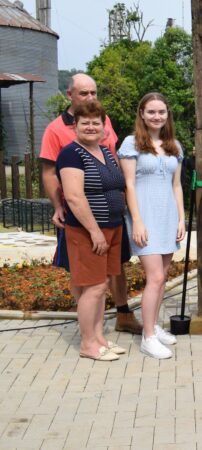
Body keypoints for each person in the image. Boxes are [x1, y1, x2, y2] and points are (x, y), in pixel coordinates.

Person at [40, 73, 142, 335]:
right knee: (83, 273)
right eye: (84, 93)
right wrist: (58, 206)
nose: (90, 97)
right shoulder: (55, 130)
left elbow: (111, 158)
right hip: (82, 217)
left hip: (112, 218)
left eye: (93, 93)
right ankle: (88, 327)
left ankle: (121, 313)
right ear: (70, 95)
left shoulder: (103, 119)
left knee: (115, 267)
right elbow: (50, 173)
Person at [56, 100, 127, 361]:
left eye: (96, 122)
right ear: (75, 126)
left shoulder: (106, 151)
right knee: (93, 287)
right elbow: (74, 197)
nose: (90, 126)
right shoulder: (71, 153)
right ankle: (88, 344)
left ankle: (99, 338)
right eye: (84, 122)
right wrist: (95, 231)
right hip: (88, 231)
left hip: (113, 226)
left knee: (104, 284)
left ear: (103, 126)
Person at [118, 93, 185, 359]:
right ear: (142, 114)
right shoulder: (131, 143)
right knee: (154, 278)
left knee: (162, 278)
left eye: (161, 112)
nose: (157, 117)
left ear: (167, 115)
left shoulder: (174, 145)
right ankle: (147, 338)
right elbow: (129, 185)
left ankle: (154, 327)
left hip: (168, 216)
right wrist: (137, 221)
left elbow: (177, 185)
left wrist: (181, 218)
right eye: (151, 112)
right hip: (144, 217)